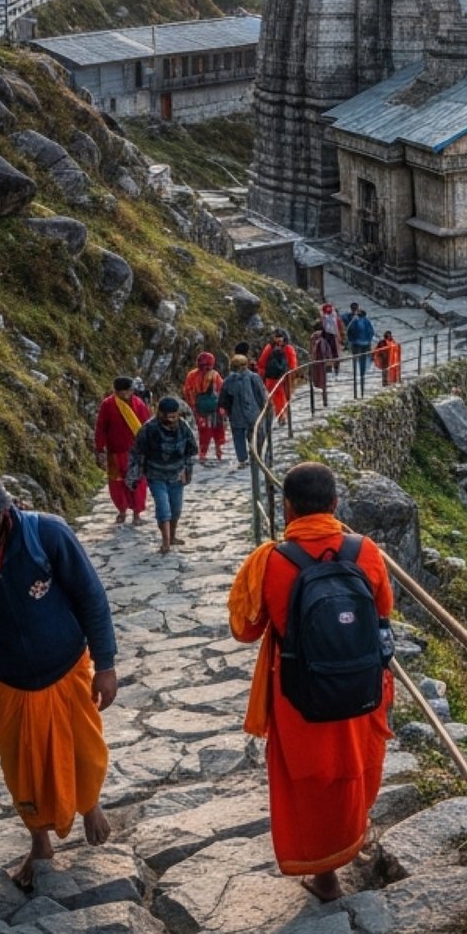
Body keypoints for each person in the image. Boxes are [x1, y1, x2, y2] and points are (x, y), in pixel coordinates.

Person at [0, 466, 118, 887]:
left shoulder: (48, 535)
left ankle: (90, 804)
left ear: (3, 511)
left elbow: (91, 597)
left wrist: (105, 664)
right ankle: (39, 841)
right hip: (8, 680)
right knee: (22, 765)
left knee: (85, 749)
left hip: (68, 666)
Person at [229, 461, 394, 902]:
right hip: (359, 683)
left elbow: (244, 630)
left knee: (309, 776)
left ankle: (324, 875)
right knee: (355, 763)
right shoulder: (365, 551)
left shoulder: (270, 561)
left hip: (298, 691)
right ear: (335, 504)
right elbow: (383, 609)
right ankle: (354, 834)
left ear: (287, 508)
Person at [132, 397, 198, 555]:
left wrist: (186, 471)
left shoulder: (183, 427)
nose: (172, 420)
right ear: (160, 414)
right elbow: (137, 453)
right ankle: (165, 542)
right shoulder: (148, 429)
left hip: (177, 475)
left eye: (174, 416)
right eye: (168, 417)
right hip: (156, 475)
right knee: (163, 508)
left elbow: (191, 451)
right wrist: (135, 475)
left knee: (176, 509)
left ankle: (173, 536)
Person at [93, 375, 149, 524]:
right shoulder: (107, 405)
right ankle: (122, 510)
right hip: (115, 451)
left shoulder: (139, 404)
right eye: (122, 392)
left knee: (137, 482)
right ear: (115, 391)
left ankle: (137, 513)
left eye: (128, 391)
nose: (126, 394)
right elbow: (101, 427)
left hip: (135, 452)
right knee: (117, 483)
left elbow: (147, 426)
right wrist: (99, 448)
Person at [221, 353, 269, 466]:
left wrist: (227, 413)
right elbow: (261, 394)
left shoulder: (227, 381)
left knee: (238, 437)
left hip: (236, 414)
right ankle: (255, 454)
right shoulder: (254, 377)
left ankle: (242, 459)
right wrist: (264, 407)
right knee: (256, 434)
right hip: (253, 412)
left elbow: (223, 399)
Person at [183, 351, 227, 465]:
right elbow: (222, 390)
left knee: (204, 430)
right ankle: (216, 450)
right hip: (214, 408)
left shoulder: (192, 375)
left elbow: (187, 391)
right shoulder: (215, 375)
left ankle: (204, 452)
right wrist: (222, 406)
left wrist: (193, 405)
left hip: (200, 408)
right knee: (216, 429)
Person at [258, 331, 299, 416]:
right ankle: (282, 416)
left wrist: (262, 376)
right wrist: (293, 376)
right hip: (283, 377)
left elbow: (262, 363)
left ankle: (279, 416)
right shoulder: (288, 348)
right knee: (282, 397)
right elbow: (293, 365)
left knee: (274, 398)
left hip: (272, 378)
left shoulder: (269, 347)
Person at [345, 307, 376, 392]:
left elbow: (348, 331)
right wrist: (368, 340)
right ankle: (363, 374)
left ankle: (357, 377)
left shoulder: (354, 321)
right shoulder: (367, 321)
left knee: (356, 360)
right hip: (366, 344)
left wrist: (351, 340)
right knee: (364, 359)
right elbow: (371, 332)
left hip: (356, 344)